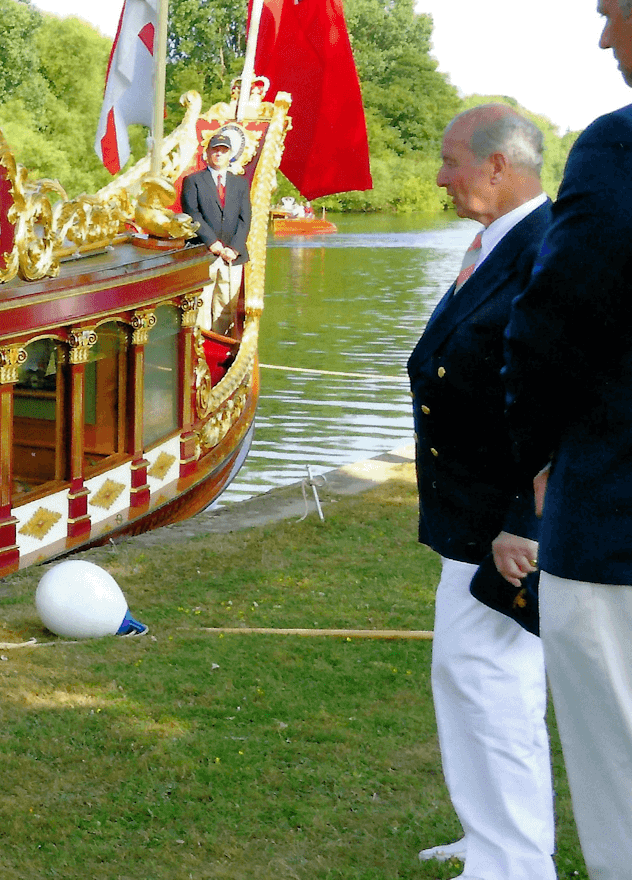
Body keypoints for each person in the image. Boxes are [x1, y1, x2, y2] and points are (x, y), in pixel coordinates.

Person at [408, 104, 554, 878]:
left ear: (500, 165)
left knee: (492, 687)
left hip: (504, 529)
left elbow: (558, 398)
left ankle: (514, 863)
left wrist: (522, 518)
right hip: (470, 520)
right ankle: (489, 836)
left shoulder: (546, 249)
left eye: (452, 159)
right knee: (469, 678)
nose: (440, 175)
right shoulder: (504, 242)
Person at [502, 3, 632, 874]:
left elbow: (559, 316)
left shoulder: (617, 145)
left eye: (609, 13)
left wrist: (535, 453)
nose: (604, 39)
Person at [180, 131, 252, 267]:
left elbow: (245, 219)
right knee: (205, 289)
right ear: (207, 152)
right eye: (215, 150)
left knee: (229, 289)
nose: (219, 154)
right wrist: (211, 242)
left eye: (224, 151)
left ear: (230, 154)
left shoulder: (241, 183)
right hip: (203, 252)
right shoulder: (193, 181)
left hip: (233, 257)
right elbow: (192, 214)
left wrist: (234, 248)